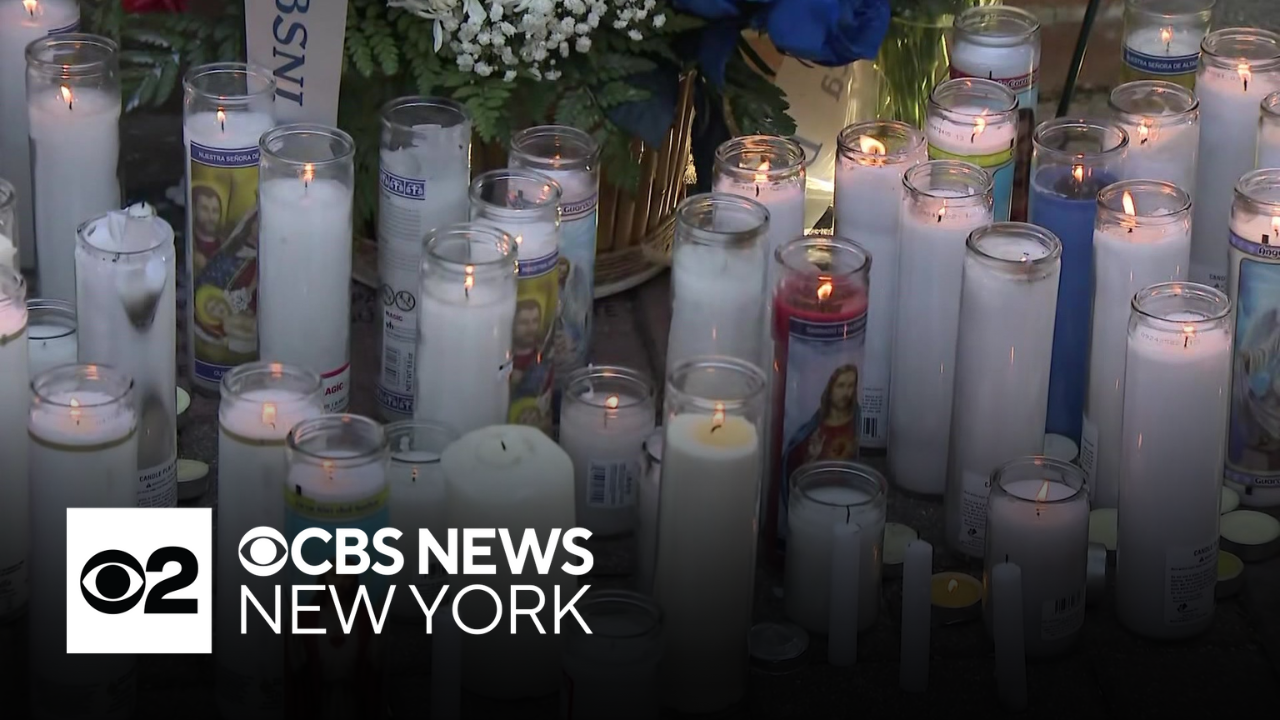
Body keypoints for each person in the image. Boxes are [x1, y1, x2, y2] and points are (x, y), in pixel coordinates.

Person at [782, 364, 862, 490]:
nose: (846, 393)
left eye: (851, 386)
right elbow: (794, 474)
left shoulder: (857, 416)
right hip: (816, 492)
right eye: (840, 386)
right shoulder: (813, 430)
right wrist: (812, 457)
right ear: (830, 389)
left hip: (847, 492)